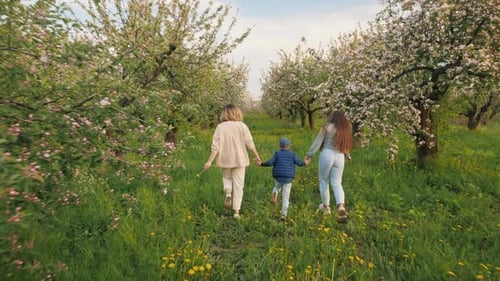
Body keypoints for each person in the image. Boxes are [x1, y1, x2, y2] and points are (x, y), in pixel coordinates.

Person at [204, 104, 261, 220]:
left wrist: (209, 161)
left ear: (224, 114)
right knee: (239, 186)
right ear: (237, 113)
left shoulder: (220, 127)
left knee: (227, 178)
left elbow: (215, 146)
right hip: (240, 160)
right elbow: (250, 143)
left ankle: (228, 193)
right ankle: (236, 212)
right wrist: (256, 156)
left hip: (225, 159)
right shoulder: (242, 126)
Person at [305, 111, 352, 223]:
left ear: (332, 117)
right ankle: (341, 206)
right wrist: (347, 155)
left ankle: (326, 207)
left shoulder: (327, 127)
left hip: (327, 154)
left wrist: (309, 154)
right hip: (340, 156)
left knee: (324, 181)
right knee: (337, 183)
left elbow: (318, 142)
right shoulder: (344, 128)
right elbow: (345, 144)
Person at [259, 137, 310, 220]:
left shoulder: (277, 154)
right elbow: (300, 163)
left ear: (280, 146)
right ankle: (283, 215)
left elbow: (270, 162)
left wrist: (262, 164)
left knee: (277, 187)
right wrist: (305, 163)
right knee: (286, 197)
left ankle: (275, 192)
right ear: (289, 146)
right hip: (288, 178)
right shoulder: (292, 154)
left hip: (278, 176)